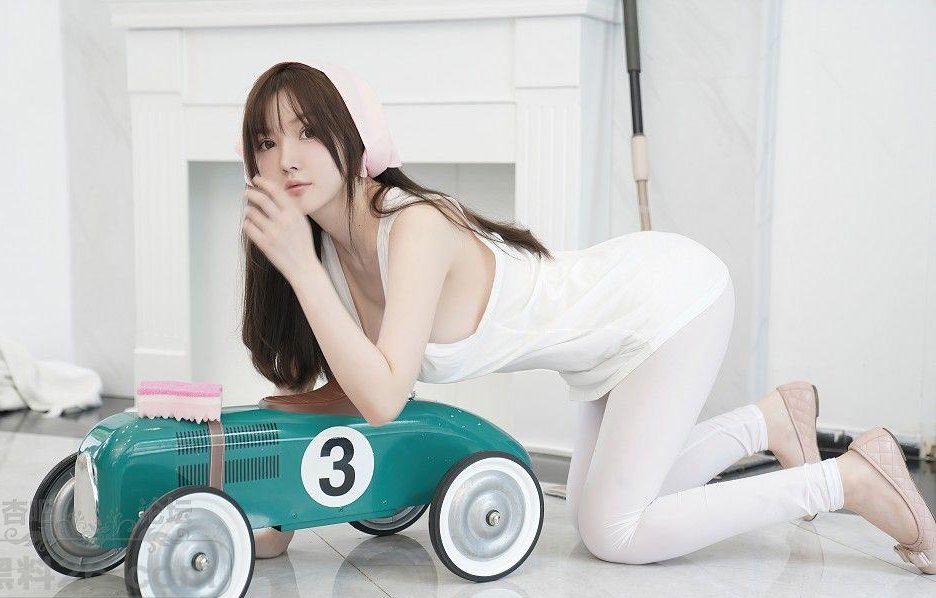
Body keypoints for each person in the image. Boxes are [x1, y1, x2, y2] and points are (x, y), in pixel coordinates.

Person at [236, 61, 936, 571]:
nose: (287, 158)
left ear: (354, 138)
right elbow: (355, 388)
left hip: (663, 302)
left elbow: (386, 398)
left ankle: (849, 479)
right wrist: (268, 492)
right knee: (598, 503)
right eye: (266, 143)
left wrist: (300, 267)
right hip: (608, 341)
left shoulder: (410, 226)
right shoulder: (335, 252)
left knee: (613, 531)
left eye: (307, 132)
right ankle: (770, 420)